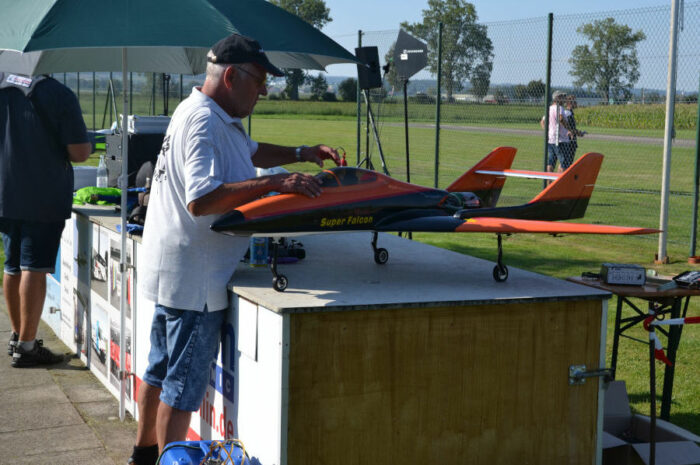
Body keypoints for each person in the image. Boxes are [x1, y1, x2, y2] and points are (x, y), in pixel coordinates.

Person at [128, 33, 341, 465]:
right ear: (230, 75)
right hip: (196, 278)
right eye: (259, 80)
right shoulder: (206, 120)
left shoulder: (205, 112)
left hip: (175, 269)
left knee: (157, 371)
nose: (264, 91)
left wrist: (300, 153)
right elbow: (201, 198)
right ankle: (169, 460)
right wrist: (276, 182)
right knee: (181, 388)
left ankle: (142, 455)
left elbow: (250, 151)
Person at [0, 72, 91, 367]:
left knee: (12, 265)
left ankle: (17, 336)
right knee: (34, 268)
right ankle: (27, 345)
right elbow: (79, 152)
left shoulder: (4, 87)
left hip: (5, 193)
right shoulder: (58, 94)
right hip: (43, 195)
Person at [540, 90, 573, 174]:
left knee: (551, 163)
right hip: (560, 140)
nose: (565, 99)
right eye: (563, 97)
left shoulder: (549, 108)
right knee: (564, 163)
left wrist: (548, 132)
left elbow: (542, 122)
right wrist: (569, 129)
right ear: (557, 98)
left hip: (551, 139)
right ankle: (559, 184)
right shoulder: (559, 108)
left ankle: (549, 183)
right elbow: (561, 118)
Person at [563, 94, 586, 164]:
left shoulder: (570, 113)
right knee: (567, 162)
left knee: (566, 162)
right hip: (569, 140)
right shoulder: (568, 113)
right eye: (574, 102)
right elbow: (569, 128)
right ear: (570, 103)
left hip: (570, 140)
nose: (576, 103)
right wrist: (579, 133)